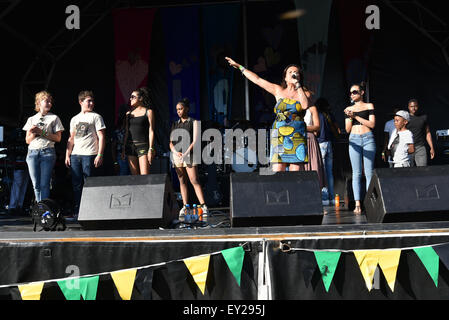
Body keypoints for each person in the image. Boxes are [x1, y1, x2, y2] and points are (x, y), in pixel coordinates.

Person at [225, 57, 309, 172]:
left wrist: (298, 85)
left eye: (296, 72)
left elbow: (304, 105)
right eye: (290, 72)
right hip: (279, 133)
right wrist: (240, 67)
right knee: (278, 168)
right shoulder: (278, 90)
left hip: (296, 135)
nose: (293, 73)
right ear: (285, 77)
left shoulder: (304, 93)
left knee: (296, 170)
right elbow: (258, 80)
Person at [65, 90, 106, 219]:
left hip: (90, 154)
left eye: (92, 101)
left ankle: (91, 211)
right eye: (88, 101)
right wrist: (67, 154)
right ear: (81, 102)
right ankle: (78, 210)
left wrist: (100, 154)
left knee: (89, 183)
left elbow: (102, 136)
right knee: (76, 184)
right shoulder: (74, 119)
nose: (91, 103)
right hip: (76, 154)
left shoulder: (96, 116)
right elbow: (71, 138)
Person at [169, 98, 208, 220]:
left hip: (189, 154)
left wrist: (186, 153)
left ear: (187, 109)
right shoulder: (175, 124)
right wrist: (176, 152)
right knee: (182, 180)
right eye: (177, 110)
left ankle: (204, 205)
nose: (179, 112)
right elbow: (170, 142)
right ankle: (185, 206)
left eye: (180, 109)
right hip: (177, 155)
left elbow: (195, 140)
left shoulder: (194, 122)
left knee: (194, 179)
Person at [23, 91, 64, 203]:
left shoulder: (54, 118)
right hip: (32, 153)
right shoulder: (31, 119)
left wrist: (41, 132)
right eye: (47, 101)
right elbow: (27, 140)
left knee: (44, 184)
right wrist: (33, 133)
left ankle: (44, 210)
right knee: (36, 185)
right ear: (39, 102)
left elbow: (58, 138)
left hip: (47, 152)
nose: (49, 103)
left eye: (51, 101)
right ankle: (40, 208)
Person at [344, 83, 376, 214]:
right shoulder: (348, 108)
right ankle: (357, 204)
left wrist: (355, 116)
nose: (352, 94)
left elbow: (372, 124)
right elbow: (347, 129)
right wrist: (349, 118)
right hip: (354, 139)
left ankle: (368, 203)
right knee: (356, 173)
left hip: (368, 138)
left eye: (355, 92)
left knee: (369, 173)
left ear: (362, 92)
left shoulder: (369, 106)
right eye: (351, 92)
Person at [122, 87, 155, 175]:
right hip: (130, 147)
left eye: (133, 97)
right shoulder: (128, 114)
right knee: (135, 178)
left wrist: (151, 149)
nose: (130, 99)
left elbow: (151, 130)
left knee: (144, 177)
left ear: (140, 98)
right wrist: (124, 148)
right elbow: (126, 131)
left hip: (143, 147)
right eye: (130, 97)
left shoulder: (148, 112)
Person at [315, 97, 341, 205]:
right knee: (329, 173)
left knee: (322, 172)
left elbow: (316, 131)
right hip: (329, 143)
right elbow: (338, 130)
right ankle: (331, 197)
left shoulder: (317, 115)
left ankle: (325, 198)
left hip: (320, 143)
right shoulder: (328, 115)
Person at [302, 88, 326, 193]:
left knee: (313, 167)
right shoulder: (294, 107)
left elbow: (317, 126)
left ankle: (315, 194)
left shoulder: (312, 108)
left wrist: (301, 126)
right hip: (297, 139)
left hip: (309, 139)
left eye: (309, 97)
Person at [406, 99, 435, 166]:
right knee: (408, 171)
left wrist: (432, 147)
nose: (414, 108)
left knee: (422, 170)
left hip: (420, 147)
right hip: (408, 147)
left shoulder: (423, 117)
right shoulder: (405, 118)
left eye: (415, 106)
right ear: (408, 107)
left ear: (418, 106)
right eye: (411, 106)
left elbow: (427, 133)